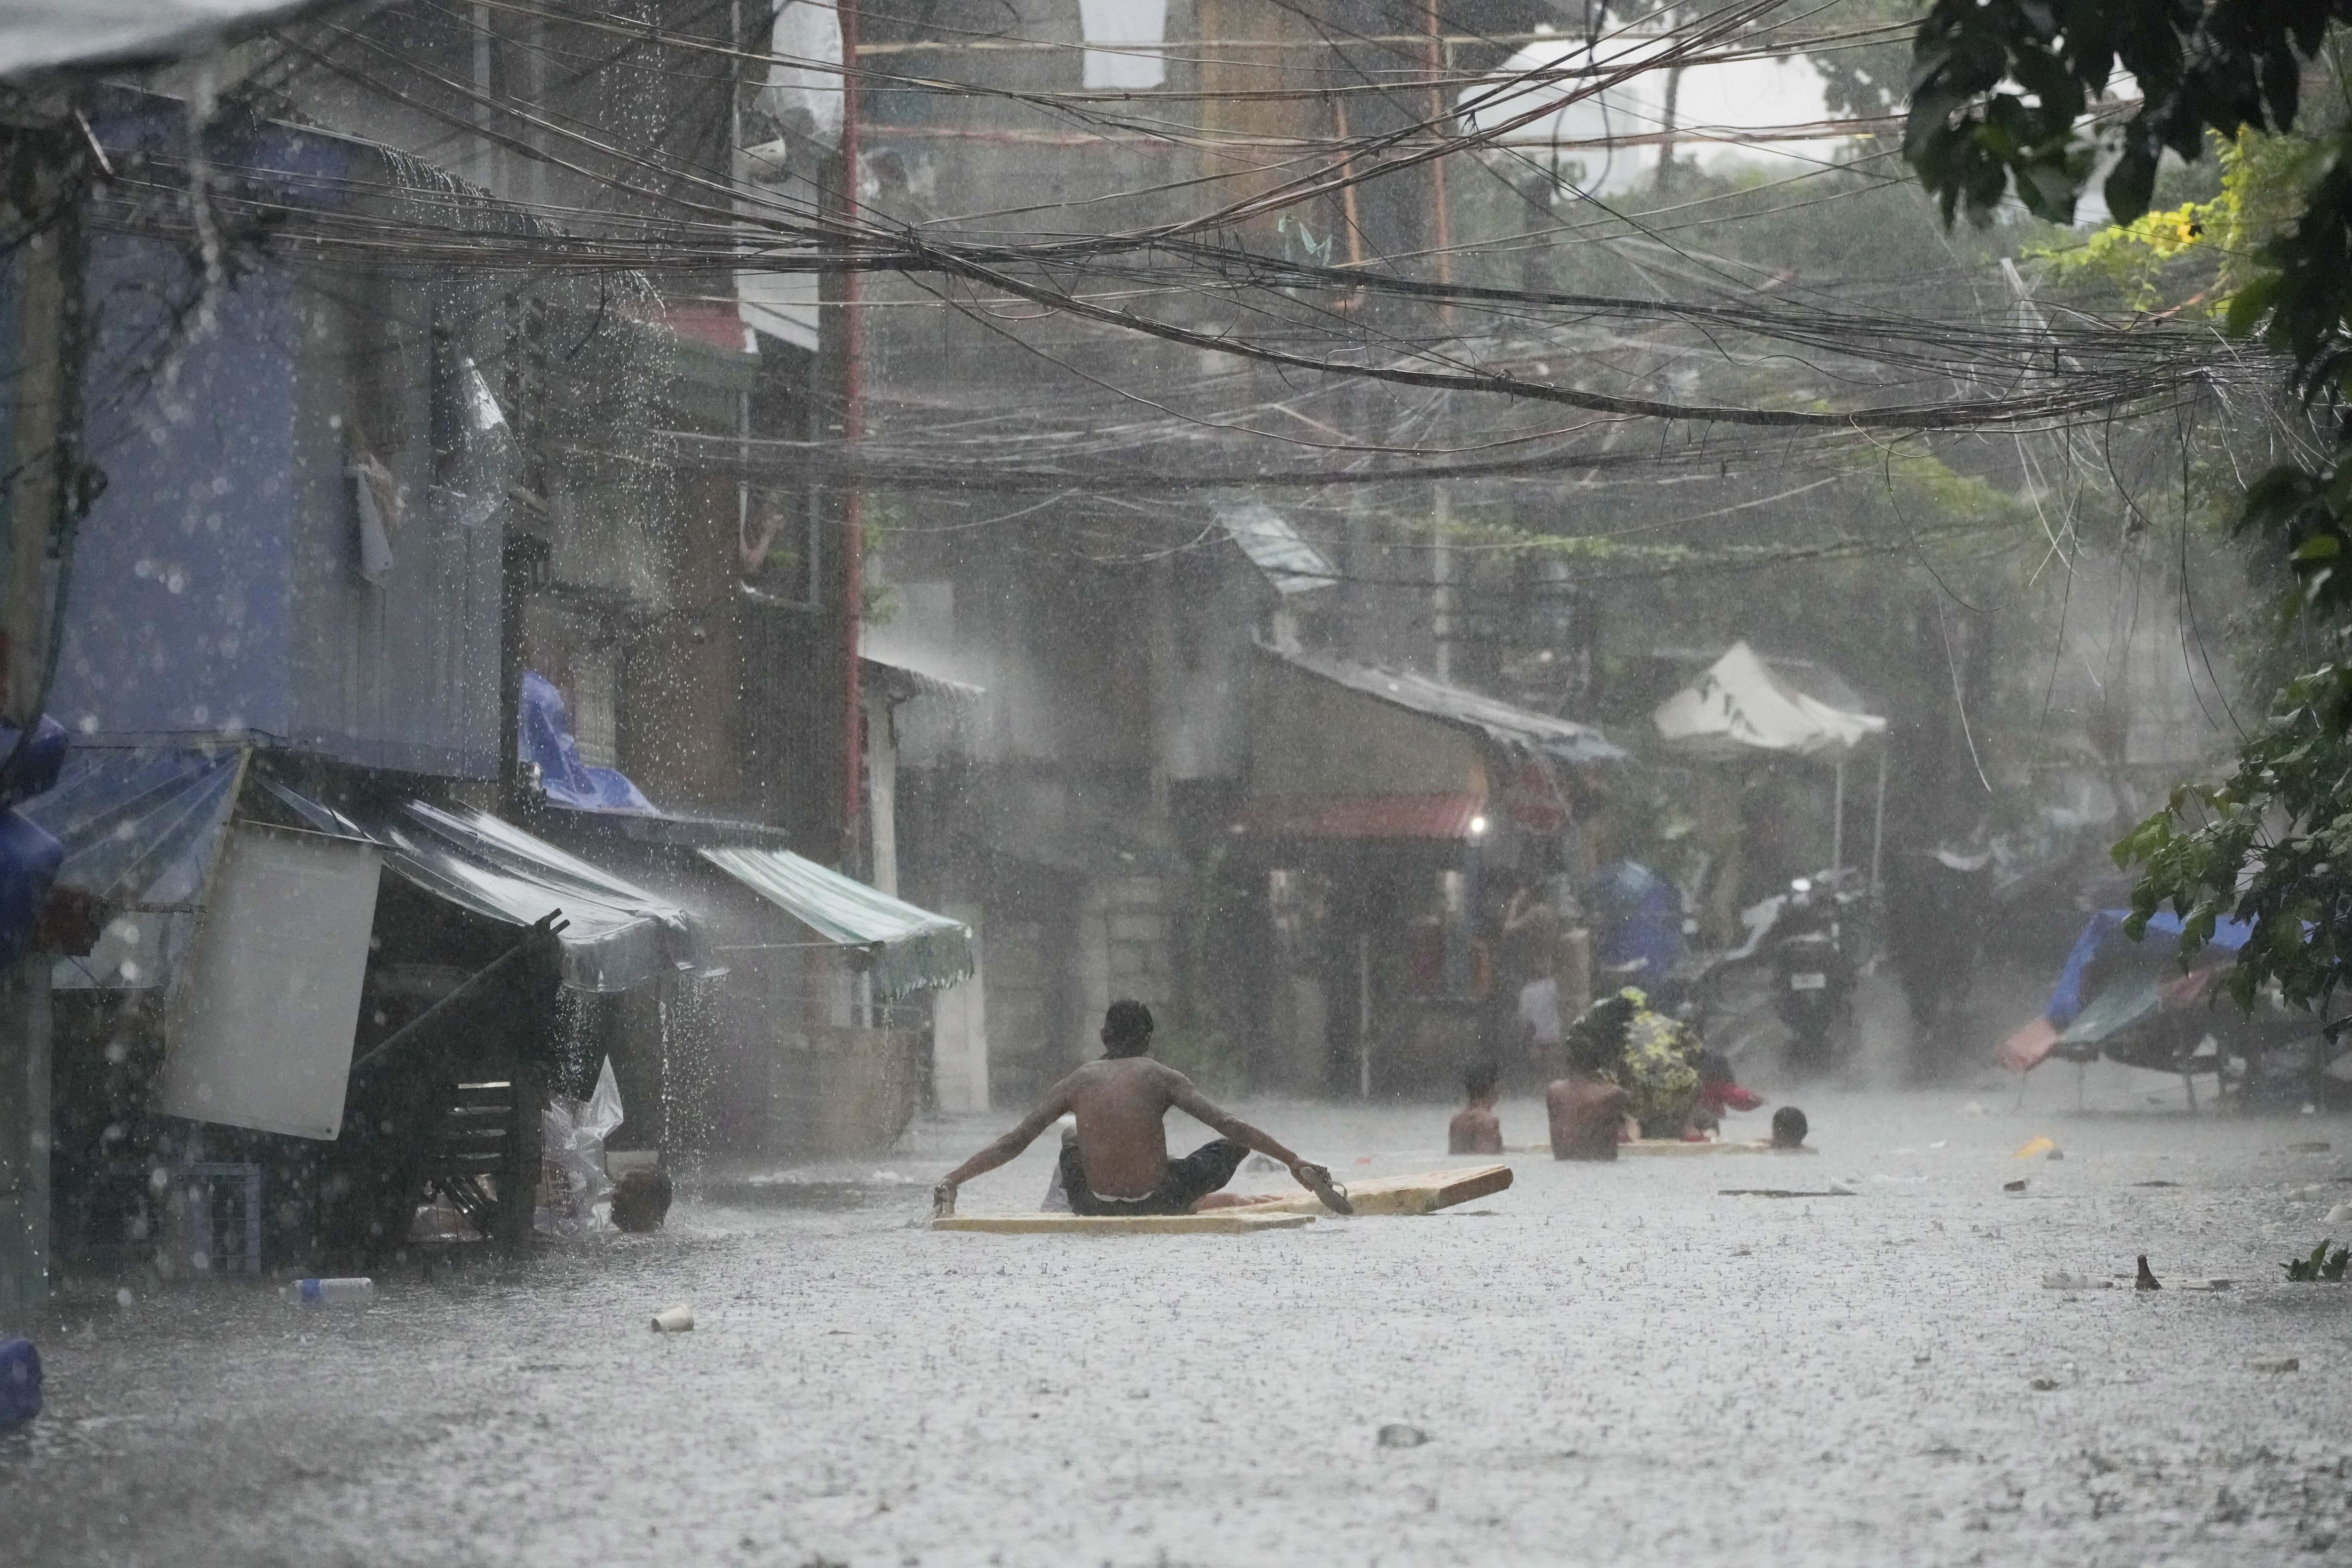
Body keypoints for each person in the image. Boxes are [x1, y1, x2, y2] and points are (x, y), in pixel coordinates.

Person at [932, 1000, 1352, 1217]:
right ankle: (1161, 1177)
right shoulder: (1161, 1076)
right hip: (1161, 1200)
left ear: (1103, 1035)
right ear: (1148, 1038)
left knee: (1071, 1136)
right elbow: (1230, 1123)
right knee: (1231, 1144)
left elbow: (1015, 1141)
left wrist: (954, 1179)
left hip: (1091, 1204)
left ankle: (1081, 1189)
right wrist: (1295, 1162)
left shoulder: (1076, 1081)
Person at [1449, 1060, 1504, 1154]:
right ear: (1492, 1089)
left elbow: (1462, 1153)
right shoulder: (1490, 1123)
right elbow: (1487, 1156)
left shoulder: (1456, 1122)